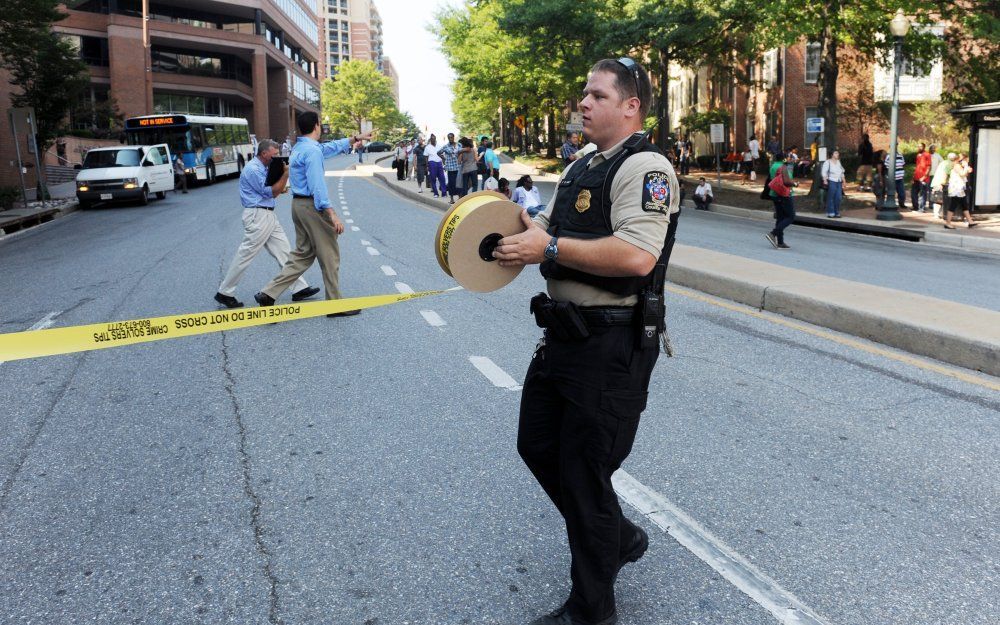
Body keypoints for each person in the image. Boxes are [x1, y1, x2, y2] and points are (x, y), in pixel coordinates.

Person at [492, 57, 679, 625]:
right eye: (584, 94)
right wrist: (502, 234)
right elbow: (546, 233)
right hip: (563, 337)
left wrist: (546, 250)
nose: (583, 103)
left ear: (631, 106)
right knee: (537, 444)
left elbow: (635, 255)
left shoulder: (648, 168)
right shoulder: (580, 166)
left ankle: (591, 611)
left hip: (611, 344)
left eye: (597, 95)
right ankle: (616, 536)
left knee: (583, 472)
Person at [254, 112, 371, 316]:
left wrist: (355, 138)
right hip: (312, 208)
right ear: (317, 126)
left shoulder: (300, 148)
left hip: (297, 206)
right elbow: (317, 186)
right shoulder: (312, 152)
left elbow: (329, 148)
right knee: (330, 255)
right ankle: (334, 306)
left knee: (303, 255)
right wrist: (332, 214)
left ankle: (268, 293)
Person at [214, 139, 319, 309]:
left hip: (266, 213)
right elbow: (272, 191)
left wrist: (281, 183)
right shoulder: (254, 169)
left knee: (284, 250)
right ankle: (225, 292)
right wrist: (285, 175)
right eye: (275, 154)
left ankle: (299, 287)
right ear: (264, 154)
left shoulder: (262, 167)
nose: (277, 157)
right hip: (258, 215)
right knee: (245, 254)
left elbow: (273, 191)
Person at [765, 151, 797, 249]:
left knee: (780, 218)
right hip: (784, 194)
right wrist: (795, 184)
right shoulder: (783, 167)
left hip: (774, 193)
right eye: (787, 157)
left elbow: (773, 179)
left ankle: (780, 242)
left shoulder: (773, 166)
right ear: (784, 158)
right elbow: (787, 182)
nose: (788, 158)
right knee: (790, 216)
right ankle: (773, 233)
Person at [945, 154, 975, 229]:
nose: (967, 161)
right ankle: (948, 223)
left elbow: (964, 175)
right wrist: (966, 167)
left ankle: (970, 221)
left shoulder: (958, 166)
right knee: (953, 205)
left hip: (959, 189)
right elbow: (962, 174)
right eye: (966, 160)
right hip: (956, 189)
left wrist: (967, 169)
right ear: (962, 159)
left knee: (964, 204)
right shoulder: (957, 166)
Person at [930, 152, 956, 219]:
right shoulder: (950, 164)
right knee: (940, 198)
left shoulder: (943, 162)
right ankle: (937, 214)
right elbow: (947, 173)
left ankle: (937, 213)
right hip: (941, 183)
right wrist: (943, 183)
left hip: (936, 181)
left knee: (937, 198)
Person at [821, 149, 845, 218]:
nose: (837, 154)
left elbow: (841, 172)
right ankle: (831, 212)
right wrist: (825, 180)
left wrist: (844, 181)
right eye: (836, 153)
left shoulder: (838, 162)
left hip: (839, 181)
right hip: (831, 181)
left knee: (838, 197)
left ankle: (837, 212)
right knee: (831, 197)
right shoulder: (827, 162)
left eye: (837, 153)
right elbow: (824, 172)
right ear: (832, 154)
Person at [438, 132, 461, 204]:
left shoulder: (459, 145)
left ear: (454, 137)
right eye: (449, 138)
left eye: (451, 137)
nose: (450, 139)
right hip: (450, 168)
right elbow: (438, 152)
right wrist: (444, 159)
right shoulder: (446, 146)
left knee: (459, 183)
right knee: (451, 184)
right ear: (448, 138)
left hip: (458, 167)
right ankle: (452, 199)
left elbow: (461, 153)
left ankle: (459, 198)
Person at [911, 142, 931, 213]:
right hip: (916, 177)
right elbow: (917, 166)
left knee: (922, 194)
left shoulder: (927, 154)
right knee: (913, 193)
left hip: (923, 178)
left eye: (921, 146)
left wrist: (924, 176)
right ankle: (915, 207)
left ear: (924, 147)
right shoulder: (918, 155)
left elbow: (929, 167)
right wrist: (913, 177)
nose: (919, 148)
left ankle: (921, 208)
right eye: (918, 146)